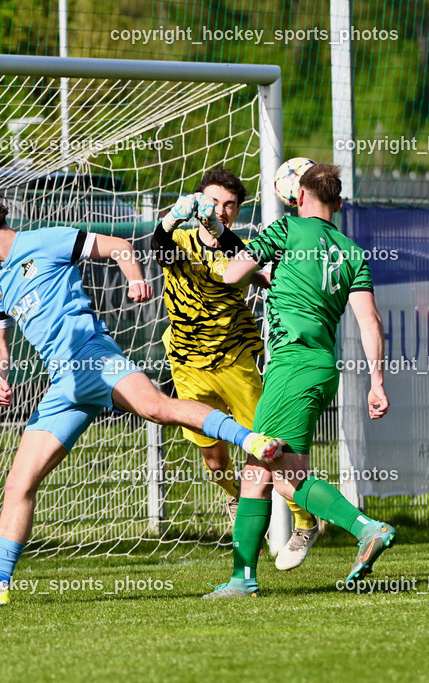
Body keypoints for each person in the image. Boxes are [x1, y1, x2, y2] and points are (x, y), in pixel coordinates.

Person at [0, 185, 286, 606]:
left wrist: (136, 279)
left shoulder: (45, 240)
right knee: (18, 484)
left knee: (156, 409)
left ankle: (249, 440)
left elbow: (119, 246)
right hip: (63, 384)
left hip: (94, 357)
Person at [204, 163, 395, 598]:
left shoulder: (285, 229)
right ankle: (247, 576)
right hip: (323, 369)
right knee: (281, 475)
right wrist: (377, 382)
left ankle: (363, 529)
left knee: (261, 467)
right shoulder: (352, 252)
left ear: (299, 197)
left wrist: (214, 241)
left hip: (290, 369)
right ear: (339, 204)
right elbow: (370, 321)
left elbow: (231, 275)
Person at [152, 167, 320, 569]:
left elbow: (251, 267)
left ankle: (305, 521)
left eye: (230, 204)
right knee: (213, 456)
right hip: (187, 362)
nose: (221, 210)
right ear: (196, 201)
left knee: (269, 449)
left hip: (236, 358)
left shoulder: (240, 247)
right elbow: (160, 250)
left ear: (239, 210)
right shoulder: (178, 238)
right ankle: (233, 497)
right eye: (213, 202)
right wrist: (168, 220)